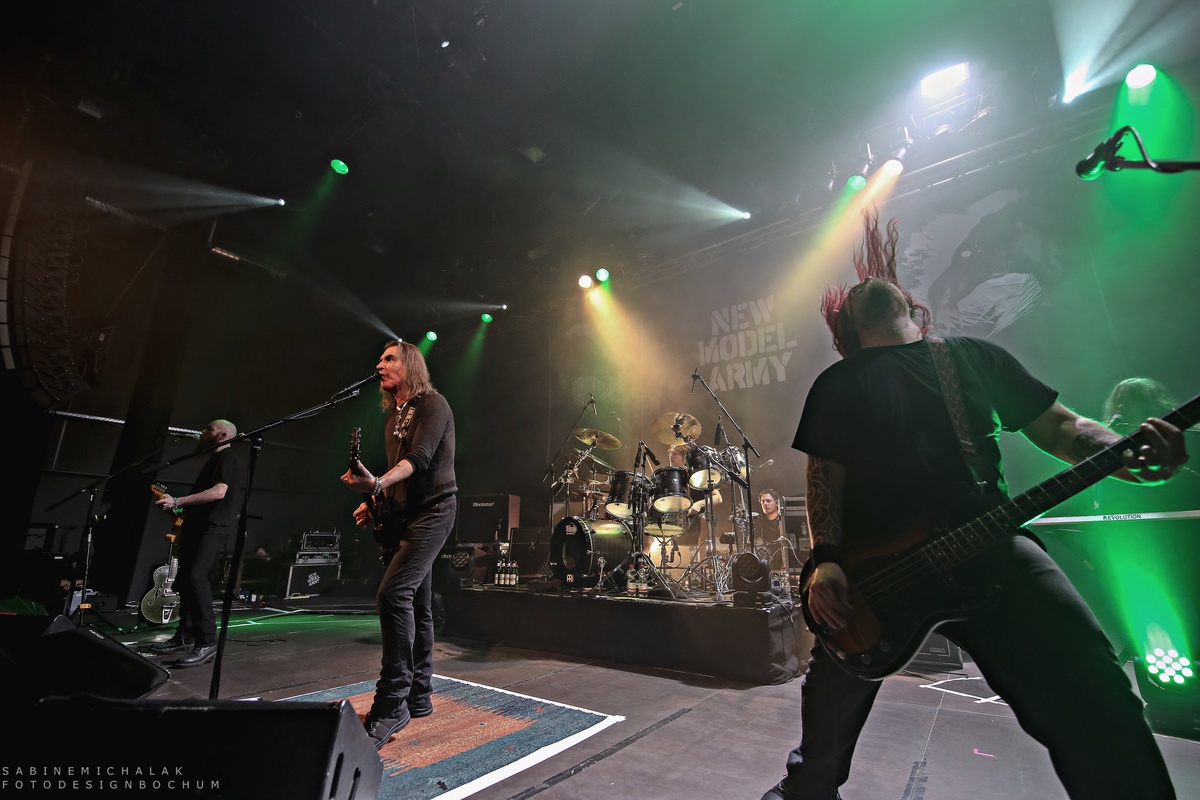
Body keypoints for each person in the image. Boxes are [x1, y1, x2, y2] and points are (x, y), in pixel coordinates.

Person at [762, 211, 1189, 800]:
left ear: (913, 308)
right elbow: (823, 482)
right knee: (827, 717)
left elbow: (1063, 428)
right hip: (877, 576)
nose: (865, 283)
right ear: (847, 329)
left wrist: (1123, 452)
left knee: (1100, 702)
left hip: (990, 546)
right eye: (853, 291)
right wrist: (827, 561)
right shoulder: (839, 383)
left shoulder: (971, 356)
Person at [340, 339, 457, 749]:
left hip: (434, 512)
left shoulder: (433, 404)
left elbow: (420, 459)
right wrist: (375, 502)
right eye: (380, 358)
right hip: (404, 517)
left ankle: (392, 703)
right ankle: (418, 695)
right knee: (418, 605)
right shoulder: (394, 417)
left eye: (389, 358)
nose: (380, 364)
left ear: (409, 365)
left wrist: (376, 483)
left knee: (393, 595)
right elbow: (397, 474)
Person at [150, 419, 241, 668]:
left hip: (213, 527)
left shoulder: (227, 458)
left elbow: (219, 492)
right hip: (198, 525)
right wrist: (176, 508)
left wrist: (178, 500)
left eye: (209, 429)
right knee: (186, 581)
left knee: (195, 577)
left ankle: (208, 641)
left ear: (223, 436)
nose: (203, 432)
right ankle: (186, 634)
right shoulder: (214, 459)